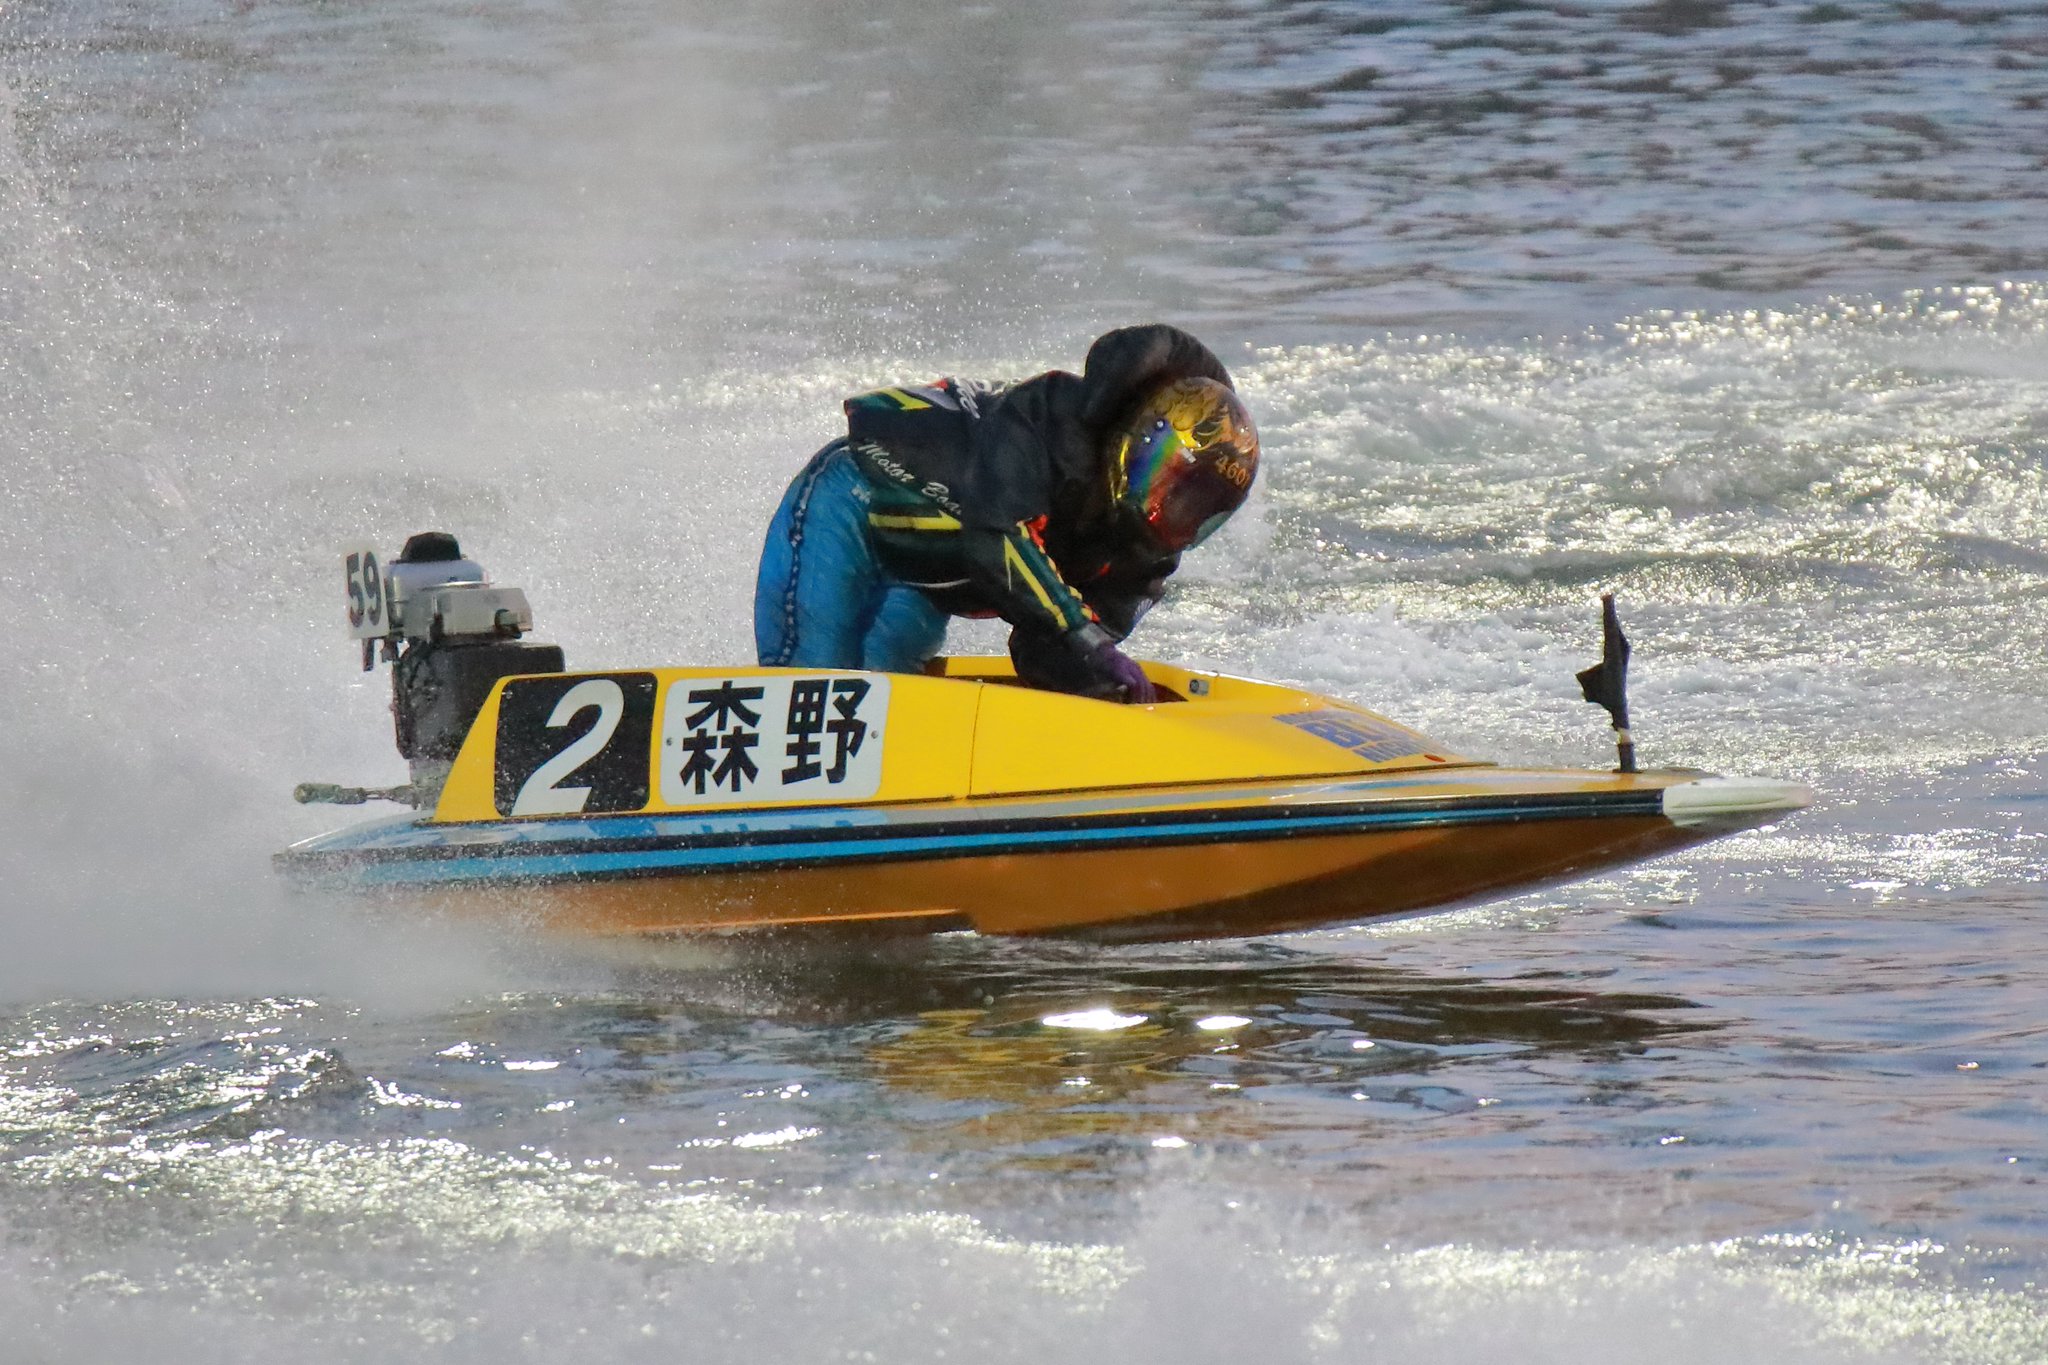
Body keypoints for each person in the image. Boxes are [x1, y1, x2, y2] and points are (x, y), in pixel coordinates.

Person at [752, 324, 1259, 704]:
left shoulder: (1139, 566)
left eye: (1197, 508)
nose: (1172, 513)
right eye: (1173, 486)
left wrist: (1099, 683)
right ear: (1141, 442)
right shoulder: (1048, 424)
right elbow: (998, 538)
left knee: (880, 709)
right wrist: (1087, 639)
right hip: (849, 505)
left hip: (923, 581)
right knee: (815, 692)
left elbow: (1041, 652)